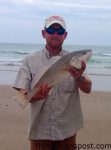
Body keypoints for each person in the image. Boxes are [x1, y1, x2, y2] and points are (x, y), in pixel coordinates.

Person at [13, 15, 92, 150]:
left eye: (60, 31)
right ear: (44, 33)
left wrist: (79, 77)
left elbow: (88, 88)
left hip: (67, 131)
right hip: (39, 132)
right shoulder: (29, 60)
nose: (56, 34)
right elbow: (23, 93)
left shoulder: (73, 61)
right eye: (51, 30)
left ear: (65, 35)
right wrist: (35, 96)